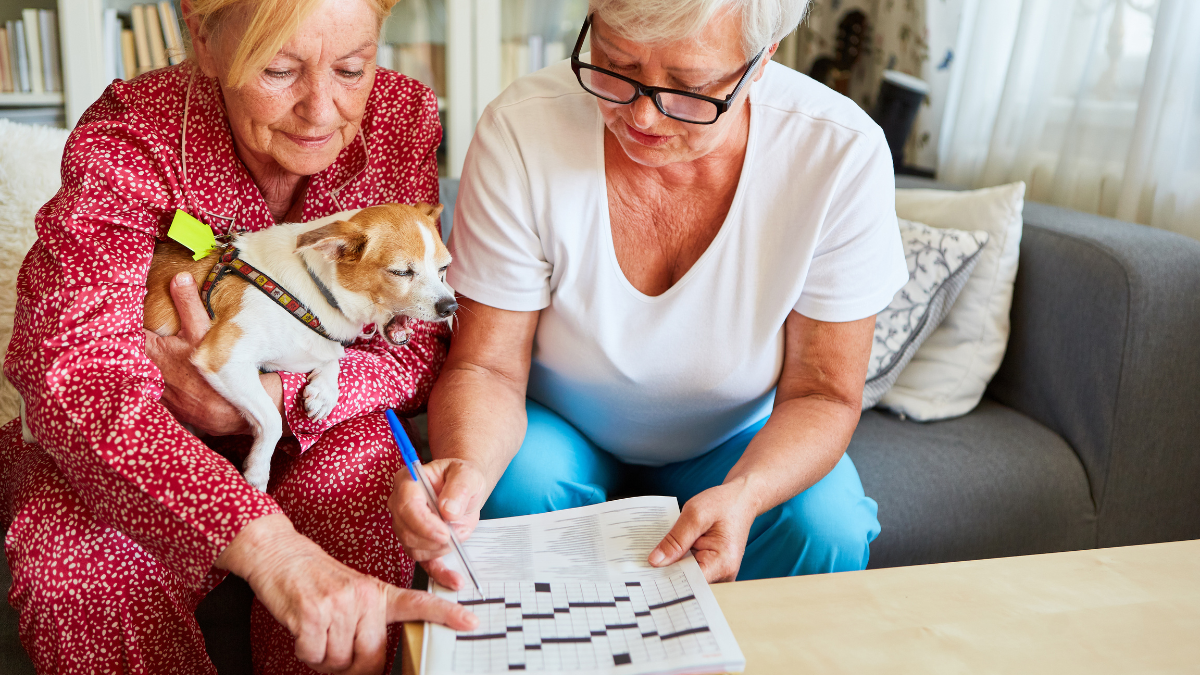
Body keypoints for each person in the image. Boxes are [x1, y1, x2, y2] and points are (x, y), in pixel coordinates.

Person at [0, 0, 478, 673]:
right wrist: (270, 548)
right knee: (77, 571)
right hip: (137, 434)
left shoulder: (400, 116)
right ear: (202, 36)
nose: (321, 110)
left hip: (315, 420)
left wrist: (270, 397)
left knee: (364, 503)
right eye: (278, 69)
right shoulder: (132, 132)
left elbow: (414, 346)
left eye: (351, 67)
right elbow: (72, 370)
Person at [391, 0, 908, 587]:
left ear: (761, 61)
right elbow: (486, 367)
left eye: (689, 87)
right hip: (560, 429)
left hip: (736, 440)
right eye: (614, 63)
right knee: (506, 491)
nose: (643, 116)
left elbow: (822, 394)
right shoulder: (523, 128)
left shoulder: (839, 153)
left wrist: (746, 493)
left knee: (825, 525)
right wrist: (466, 474)